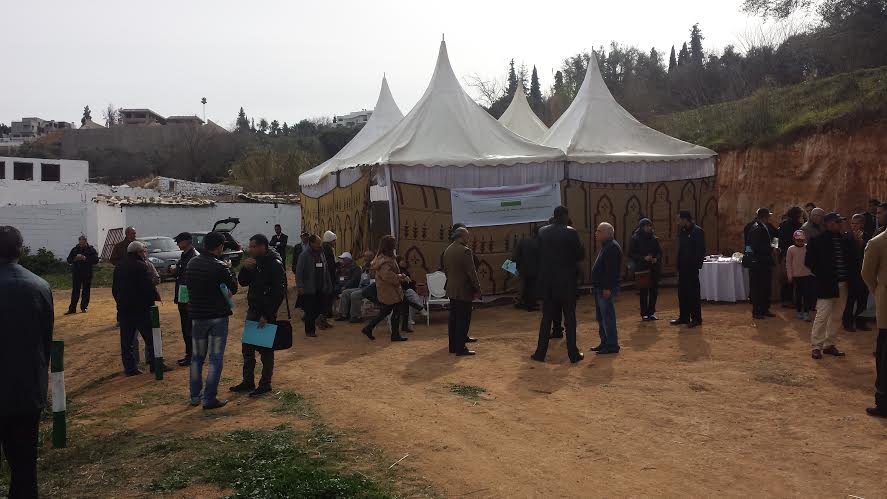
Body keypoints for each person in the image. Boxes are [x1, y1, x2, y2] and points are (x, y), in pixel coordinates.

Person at [0, 226, 53, 498]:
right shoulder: (40, 286)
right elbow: (46, 341)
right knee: (24, 466)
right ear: (20, 249)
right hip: (27, 390)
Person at [186, 231, 238, 410]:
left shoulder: (192, 263)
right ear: (220, 247)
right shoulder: (220, 266)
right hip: (217, 317)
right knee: (215, 358)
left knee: (196, 357)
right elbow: (233, 288)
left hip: (197, 317)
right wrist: (230, 268)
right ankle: (209, 398)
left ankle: (194, 396)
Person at [231, 234, 286, 397]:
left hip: (265, 313)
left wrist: (267, 315)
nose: (251, 249)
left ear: (263, 246)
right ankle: (248, 381)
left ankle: (265, 384)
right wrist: (245, 268)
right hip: (253, 310)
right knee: (247, 349)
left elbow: (278, 293)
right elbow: (243, 282)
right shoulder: (255, 263)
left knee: (265, 350)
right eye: (250, 246)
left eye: (254, 246)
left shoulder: (274, 264)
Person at [531, 206, 584, 363]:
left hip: (548, 284)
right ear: (565, 216)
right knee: (570, 319)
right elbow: (580, 255)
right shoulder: (571, 232)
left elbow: (536, 255)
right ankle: (573, 354)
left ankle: (540, 353)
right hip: (567, 283)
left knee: (546, 319)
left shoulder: (542, 232)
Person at [806, 213, 857, 360]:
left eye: (840, 222)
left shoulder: (845, 240)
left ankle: (829, 344)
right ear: (828, 223)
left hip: (843, 284)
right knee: (822, 316)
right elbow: (809, 262)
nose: (840, 224)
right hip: (826, 285)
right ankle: (816, 346)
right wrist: (823, 276)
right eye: (837, 222)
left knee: (837, 316)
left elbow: (853, 259)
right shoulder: (817, 240)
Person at [112, 241, 159, 376]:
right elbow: (147, 287)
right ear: (138, 252)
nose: (145, 253)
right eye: (144, 251)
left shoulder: (119, 266)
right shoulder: (141, 266)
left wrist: (120, 302)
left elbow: (114, 289)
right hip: (141, 309)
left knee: (127, 341)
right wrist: (153, 299)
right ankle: (155, 365)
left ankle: (130, 368)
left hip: (124, 309)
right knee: (151, 338)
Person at [361, 235, 409, 343]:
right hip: (389, 289)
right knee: (395, 309)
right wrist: (400, 278)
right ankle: (394, 335)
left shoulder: (383, 258)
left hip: (387, 288)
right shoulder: (385, 261)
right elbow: (387, 275)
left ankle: (369, 328)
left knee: (386, 311)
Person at [861, 224, 887, 418]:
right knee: (885, 355)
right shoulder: (877, 243)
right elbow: (867, 273)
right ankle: (884, 402)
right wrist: (878, 291)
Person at [442, 228, 482, 356]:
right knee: (463, 320)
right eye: (467, 236)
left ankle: (453, 346)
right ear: (461, 236)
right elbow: (472, 273)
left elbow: (446, 270)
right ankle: (461, 348)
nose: (468, 239)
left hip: (451, 289)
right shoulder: (465, 251)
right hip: (463, 290)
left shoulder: (447, 250)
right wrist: (477, 288)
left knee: (453, 319)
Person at [591, 223, 623, 354]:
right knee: (601, 317)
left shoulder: (612, 247)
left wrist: (607, 288)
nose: (596, 233)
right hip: (600, 288)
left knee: (607, 317)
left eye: (599, 231)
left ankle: (612, 345)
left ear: (607, 233)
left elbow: (611, 271)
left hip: (605, 289)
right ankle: (604, 342)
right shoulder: (607, 246)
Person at [672, 211, 706, 328]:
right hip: (682, 268)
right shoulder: (682, 231)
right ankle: (684, 317)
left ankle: (696, 318)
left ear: (685, 219)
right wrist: (678, 265)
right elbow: (681, 250)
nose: (678, 222)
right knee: (682, 293)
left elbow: (700, 250)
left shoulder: (697, 231)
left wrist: (695, 265)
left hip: (692, 268)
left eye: (679, 219)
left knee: (693, 294)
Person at [295, 234, 333, 338]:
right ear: (311, 243)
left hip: (321, 286)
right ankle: (310, 331)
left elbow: (326, 269)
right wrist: (300, 286)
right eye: (317, 243)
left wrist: (328, 283)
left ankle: (308, 318)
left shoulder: (321, 253)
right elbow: (299, 271)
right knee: (310, 310)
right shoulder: (304, 255)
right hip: (309, 287)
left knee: (320, 308)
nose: (319, 245)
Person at [628, 218, 662, 321]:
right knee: (643, 291)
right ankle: (644, 314)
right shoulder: (635, 238)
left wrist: (656, 258)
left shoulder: (654, 238)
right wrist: (643, 258)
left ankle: (651, 312)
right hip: (642, 268)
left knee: (654, 291)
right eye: (646, 226)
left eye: (650, 226)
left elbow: (659, 252)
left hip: (653, 268)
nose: (649, 228)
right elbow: (631, 254)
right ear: (642, 227)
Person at [173, 232, 199, 366]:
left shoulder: (194, 257)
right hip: (182, 297)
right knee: (185, 328)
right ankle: (189, 354)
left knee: (190, 329)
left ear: (188, 241)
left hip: (189, 298)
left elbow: (193, 279)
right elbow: (181, 273)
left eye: (179, 241)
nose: (177, 244)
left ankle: (193, 355)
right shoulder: (184, 255)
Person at [748, 208, 778, 320]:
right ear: (765, 217)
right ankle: (757, 311)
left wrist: (774, 246)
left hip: (764, 262)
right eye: (768, 216)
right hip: (759, 262)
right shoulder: (756, 228)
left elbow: (776, 236)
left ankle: (765, 309)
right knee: (758, 287)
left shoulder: (764, 227)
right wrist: (771, 249)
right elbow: (754, 246)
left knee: (765, 287)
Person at [843, 214, 871, 332]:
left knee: (863, 299)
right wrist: (856, 243)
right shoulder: (847, 237)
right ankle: (847, 323)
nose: (854, 226)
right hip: (852, 273)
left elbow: (870, 253)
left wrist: (861, 242)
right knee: (850, 299)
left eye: (857, 223)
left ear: (862, 224)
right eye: (852, 223)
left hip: (864, 273)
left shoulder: (868, 237)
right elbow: (846, 255)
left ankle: (861, 323)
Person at [336, 250, 374, 323]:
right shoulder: (364, 266)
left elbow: (372, 277)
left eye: (367, 257)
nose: (365, 258)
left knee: (354, 294)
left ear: (371, 257)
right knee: (345, 292)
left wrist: (370, 269)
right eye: (364, 256)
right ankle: (343, 314)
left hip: (370, 288)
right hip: (361, 287)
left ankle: (355, 316)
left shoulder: (374, 265)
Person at [778, 207, 805, 307]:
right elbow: (800, 240)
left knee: (786, 277)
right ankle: (794, 300)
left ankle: (785, 300)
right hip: (795, 253)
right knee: (796, 278)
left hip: (784, 254)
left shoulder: (782, 225)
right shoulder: (798, 226)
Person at [786, 230, 815, 321]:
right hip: (796, 276)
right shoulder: (791, 249)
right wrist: (790, 275)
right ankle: (799, 311)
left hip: (807, 274)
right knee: (798, 295)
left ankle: (806, 313)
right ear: (794, 239)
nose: (800, 241)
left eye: (802, 240)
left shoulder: (807, 248)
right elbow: (788, 263)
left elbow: (812, 260)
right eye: (798, 240)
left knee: (807, 295)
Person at [65, 235, 99, 314]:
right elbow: (69, 260)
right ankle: (72, 309)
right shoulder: (75, 249)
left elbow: (96, 260)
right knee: (75, 291)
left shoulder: (91, 250)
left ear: (86, 242)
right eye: (80, 243)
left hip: (87, 273)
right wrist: (75, 259)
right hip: (76, 273)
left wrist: (85, 258)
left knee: (86, 290)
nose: (81, 245)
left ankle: (84, 307)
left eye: (83, 243)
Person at [512, 227, 541, 311]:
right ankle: (530, 304)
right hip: (533, 270)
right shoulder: (539, 243)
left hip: (521, 268)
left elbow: (514, 256)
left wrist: (513, 269)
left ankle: (519, 302)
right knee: (531, 287)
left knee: (521, 285)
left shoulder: (523, 241)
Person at [397, 255, 425, 332]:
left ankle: (420, 309)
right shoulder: (397, 271)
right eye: (402, 261)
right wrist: (404, 279)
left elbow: (409, 282)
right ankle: (420, 308)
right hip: (398, 292)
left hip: (406, 290)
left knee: (413, 297)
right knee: (409, 301)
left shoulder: (405, 271)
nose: (404, 262)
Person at [318, 230, 338, 329]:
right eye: (333, 240)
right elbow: (329, 265)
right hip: (328, 278)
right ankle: (321, 320)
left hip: (328, 277)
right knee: (326, 300)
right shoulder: (327, 250)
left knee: (327, 300)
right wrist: (337, 265)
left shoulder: (327, 248)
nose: (335, 242)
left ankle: (324, 320)